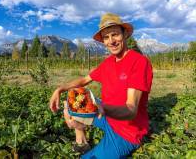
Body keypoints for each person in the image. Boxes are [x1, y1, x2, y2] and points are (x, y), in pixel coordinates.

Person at [49, 13, 153, 158]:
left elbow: (131, 110)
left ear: (124, 35)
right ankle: (81, 141)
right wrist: (60, 89)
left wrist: (99, 107)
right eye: (106, 37)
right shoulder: (108, 63)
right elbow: (84, 80)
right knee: (72, 101)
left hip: (127, 131)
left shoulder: (139, 62)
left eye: (115, 34)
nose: (111, 41)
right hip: (105, 115)